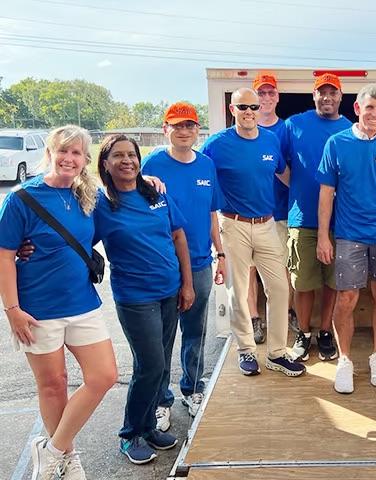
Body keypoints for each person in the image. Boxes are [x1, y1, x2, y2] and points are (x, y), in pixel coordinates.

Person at [0, 125, 117, 479]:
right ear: (50, 153)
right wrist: (12, 311)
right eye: (62, 151)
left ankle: (51, 450)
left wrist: (152, 181)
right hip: (36, 310)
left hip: (82, 304)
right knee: (53, 383)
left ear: (85, 160)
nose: (69, 158)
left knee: (104, 376)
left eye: (77, 153)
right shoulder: (21, 199)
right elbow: (4, 257)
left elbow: (117, 209)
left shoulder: (88, 198)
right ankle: (66, 457)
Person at [95, 134, 195, 465]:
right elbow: (75, 238)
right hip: (135, 298)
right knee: (149, 365)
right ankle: (130, 434)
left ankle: (149, 425)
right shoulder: (101, 205)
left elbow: (178, 235)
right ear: (106, 164)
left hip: (170, 291)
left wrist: (187, 284)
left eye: (132, 155)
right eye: (119, 156)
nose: (127, 161)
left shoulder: (155, 193)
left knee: (162, 364)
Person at [200, 87, 305, 377]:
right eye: (242, 107)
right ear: (232, 110)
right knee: (238, 293)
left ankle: (276, 353)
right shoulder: (216, 144)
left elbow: (285, 175)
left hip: (267, 224)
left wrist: (312, 198)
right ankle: (246, 350)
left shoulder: (271, 140)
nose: (249, 112)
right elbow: (196, 171)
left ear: (260, 110)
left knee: (280, 289)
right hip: (233, 224)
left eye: (253, 107)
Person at [316, 83, 376, 394]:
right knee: (347, 298)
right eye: (370, 107)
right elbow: (326, 194)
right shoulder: (337, 143)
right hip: (348, 235)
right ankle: (344, 360)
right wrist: (323, 237)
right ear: (357, 108)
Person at [141, 102, 225, 429]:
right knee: (163, 335)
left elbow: (210, 215)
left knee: (196, 333)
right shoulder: (152, 165)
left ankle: (192, 389)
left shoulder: (206, 165)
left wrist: (222, 254)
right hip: (164, 265)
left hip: (202, 262)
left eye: (190, 125)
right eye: (177, 126)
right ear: (166, 129)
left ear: (197, 130)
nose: (184, 131)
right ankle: (161, 400)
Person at [284, 73, 352, 362]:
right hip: (302, 219)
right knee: (302, 282)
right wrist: (300, 189)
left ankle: (325, 332)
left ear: (340, 97)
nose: (327, 97)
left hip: (341, 222)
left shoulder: (350, 129)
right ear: (314, 96)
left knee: (332, 283)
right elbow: (279, 164)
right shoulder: (294, 125)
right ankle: (303, 332)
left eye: (332, 92)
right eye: (321, 92)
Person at [247, 72, 298, 344]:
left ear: (277, 97)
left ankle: (287, 311)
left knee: (284, 267)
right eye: (261, 94)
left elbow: (292, 169)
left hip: (279, 210)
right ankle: (255, 318)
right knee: (249, 270)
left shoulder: (286, 129)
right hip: (247, 214)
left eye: (270, 93)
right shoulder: (243, 130)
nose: (266, 98)